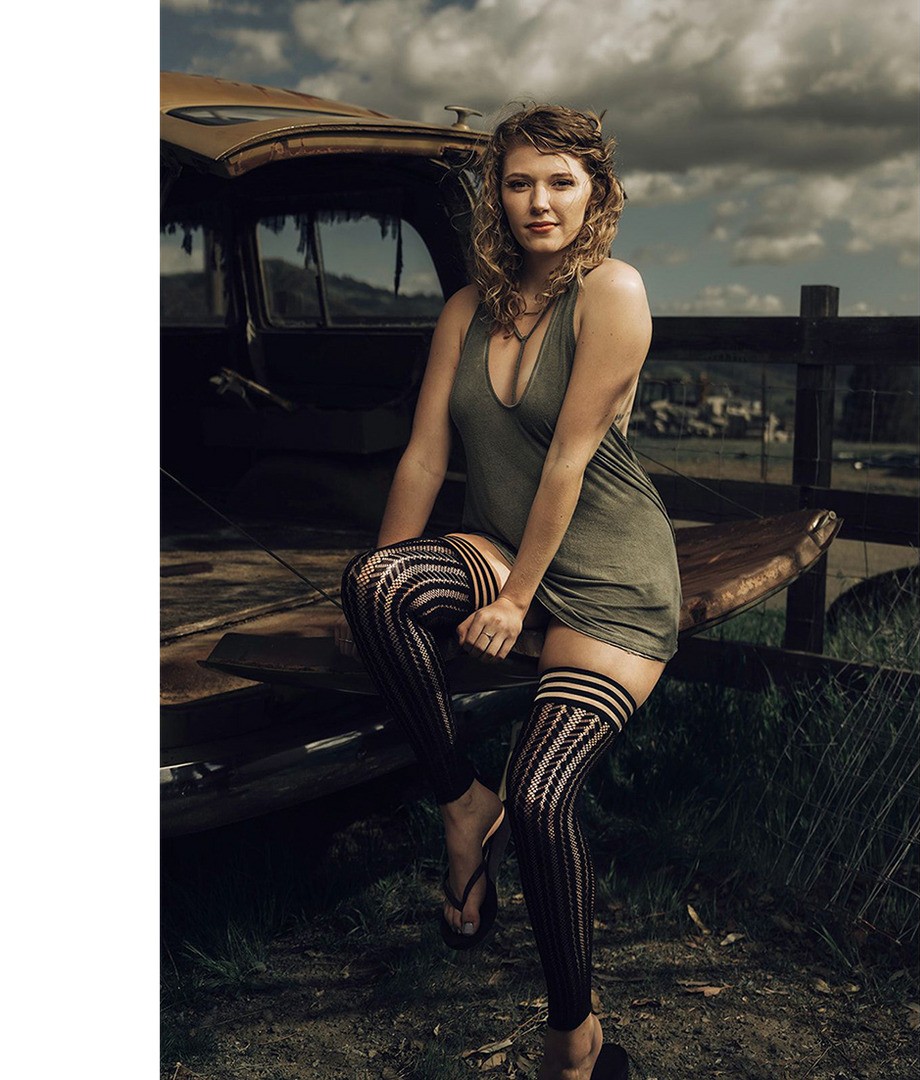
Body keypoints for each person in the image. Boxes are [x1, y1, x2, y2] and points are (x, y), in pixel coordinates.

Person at [336, 102, 681, 1080]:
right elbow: (423, 456)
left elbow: (568, 461)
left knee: (539, 797)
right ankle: (459, 801)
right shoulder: (465, 310)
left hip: (608, 573)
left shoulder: (612, 293)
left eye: (561, 181)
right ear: (496, 195)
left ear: (595, 192)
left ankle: (575, 1041)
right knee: (373, 581)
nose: (540, 201)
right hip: (498, 543)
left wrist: (517, 602)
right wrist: (381, 616)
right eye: (520, 182)